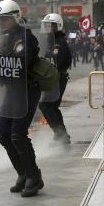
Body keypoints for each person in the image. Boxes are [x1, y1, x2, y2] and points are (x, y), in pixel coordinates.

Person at [0, 0, 44, 197]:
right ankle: (22, 173)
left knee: (18, 134)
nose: (0, 23)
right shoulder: (6, 39)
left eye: (4, 19)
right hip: (12, 92)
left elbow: (19, 65)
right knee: (4, 134)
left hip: (27, 90)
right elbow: (2, 67)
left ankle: (34, 176)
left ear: (15, 17)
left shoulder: (25, 39)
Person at [38, 13, 72, 145]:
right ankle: (61, 135)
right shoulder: (51, 40)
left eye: (50, 25)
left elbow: (56, 61)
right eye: (45, 24)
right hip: (52, 79)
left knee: (48, 105)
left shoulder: (59, 43)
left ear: (57, 26)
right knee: (49, 106)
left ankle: (61, 135)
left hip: (57, 79)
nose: (47, 27)